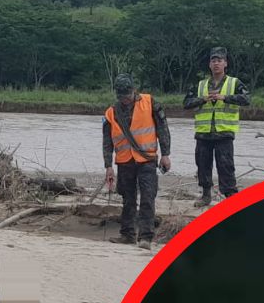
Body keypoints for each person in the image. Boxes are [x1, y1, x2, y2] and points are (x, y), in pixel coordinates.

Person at [103, 73, 172, 249]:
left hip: (147, 159)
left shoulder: (150, 102)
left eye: (127, 95)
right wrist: (108, 166)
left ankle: (145, 237)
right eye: (121, 96)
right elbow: (107, 141)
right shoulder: (111, 112)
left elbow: (163, 128)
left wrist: (165, 154)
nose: (125, 99)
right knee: (128, 198)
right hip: (124, 161)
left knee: (148, 197)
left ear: (134, 90)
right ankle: (127, 235)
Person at [183, 47, 250, 208]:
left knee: (226, 166)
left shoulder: (234, 82)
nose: (216, 64)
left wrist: (224, 97)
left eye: (219, 61)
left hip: (224, 133)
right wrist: (202, 99)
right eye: (213, 61)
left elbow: (246, 99)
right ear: (209, 64)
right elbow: (186, 103)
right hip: (203, 134)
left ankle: (231, 197)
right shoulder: (201, 85)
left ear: (225, 63)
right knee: (203, 165)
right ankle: (206, 195)